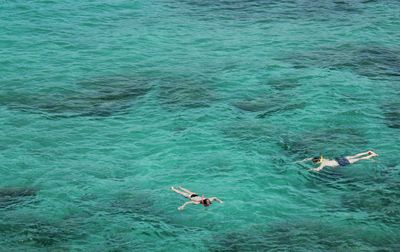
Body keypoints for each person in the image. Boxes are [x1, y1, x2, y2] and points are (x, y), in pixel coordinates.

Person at [303, 151, 378, 172]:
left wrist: (310, 169)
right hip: (339, 159)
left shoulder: (323, 163)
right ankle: (368, 152)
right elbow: (312, 158)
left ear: (318, 162)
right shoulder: (325, 159)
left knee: (360, 159)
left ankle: (371, 156)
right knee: (355, 156)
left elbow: (318, 169)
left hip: (341, 163)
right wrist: (305, 159)